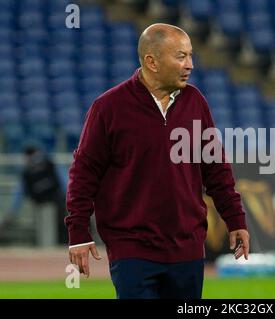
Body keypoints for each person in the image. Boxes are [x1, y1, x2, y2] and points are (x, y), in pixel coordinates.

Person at [65, 23, 250, 299]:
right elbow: (83, 174)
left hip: (187, 246)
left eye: (190, 55)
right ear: (152, 61)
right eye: (181, 56)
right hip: (132, 247)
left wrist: (235, 220)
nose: (190, 65)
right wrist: (78, 231)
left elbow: (216, 169)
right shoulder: (108, 108)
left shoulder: (195, 101)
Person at [0, 145, 68, 247]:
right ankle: (47, 251)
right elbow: (19, 193)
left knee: (52, 230)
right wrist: (12, 211)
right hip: (38, 204)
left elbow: (64, 183)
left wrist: (69, 200)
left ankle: (50, 250)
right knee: (44, 232)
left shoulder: (50, 165)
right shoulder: (27, 173)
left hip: (54, 204)